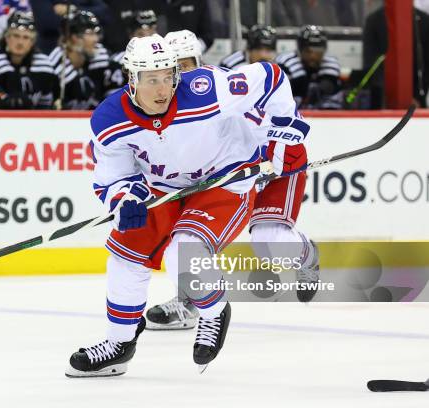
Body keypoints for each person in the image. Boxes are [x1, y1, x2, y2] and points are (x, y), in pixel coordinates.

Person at [66, 33, 310, 377]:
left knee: (183, 253)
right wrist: (125, 199)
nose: (163, 88)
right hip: (165, 188)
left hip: (223, 180)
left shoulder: (205, 89)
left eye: (168, 76)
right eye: (152, 79)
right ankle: (119, 344)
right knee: (125, 255)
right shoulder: (108, 119)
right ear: (131, 78)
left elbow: (271, 77)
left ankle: (213, 312)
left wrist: (286, 131)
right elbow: (114, 176)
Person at [144, 29, 319, 331]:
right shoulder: (162, 104)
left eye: (186, 65)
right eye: (173, 68)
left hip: (271, 169)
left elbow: (281, 111)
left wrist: (282, 147)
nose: (180, 75)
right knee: (190, 238)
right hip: (227, 178)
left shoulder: (222, 88)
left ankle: (306, 253)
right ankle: (190, 301)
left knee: (270, 243)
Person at [0, 11, 57, 109]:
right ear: (7, 37)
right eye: (16, 36)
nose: (20, 42)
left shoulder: (44, 65)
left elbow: (45, 105)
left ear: (32, 42)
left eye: (26, 37)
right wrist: (3, 100)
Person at [48, 10, 109, 109]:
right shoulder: (54, 65)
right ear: (73, 37)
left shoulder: (101, 55)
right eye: (90, 33)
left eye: (96, 33)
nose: (95, 39)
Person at [275, 25, 342, 109]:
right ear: (300, 49)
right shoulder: (286, 62)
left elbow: (329, 95)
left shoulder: (331, 64)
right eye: (308, 51)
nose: (313, 56)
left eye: (318, 51)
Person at [104, 9, 159, 98]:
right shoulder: (118, 62)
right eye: (141, 34)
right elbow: (113, 98)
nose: (147, 40)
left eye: (151, 34)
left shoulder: (167, 59)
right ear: (131, 35)